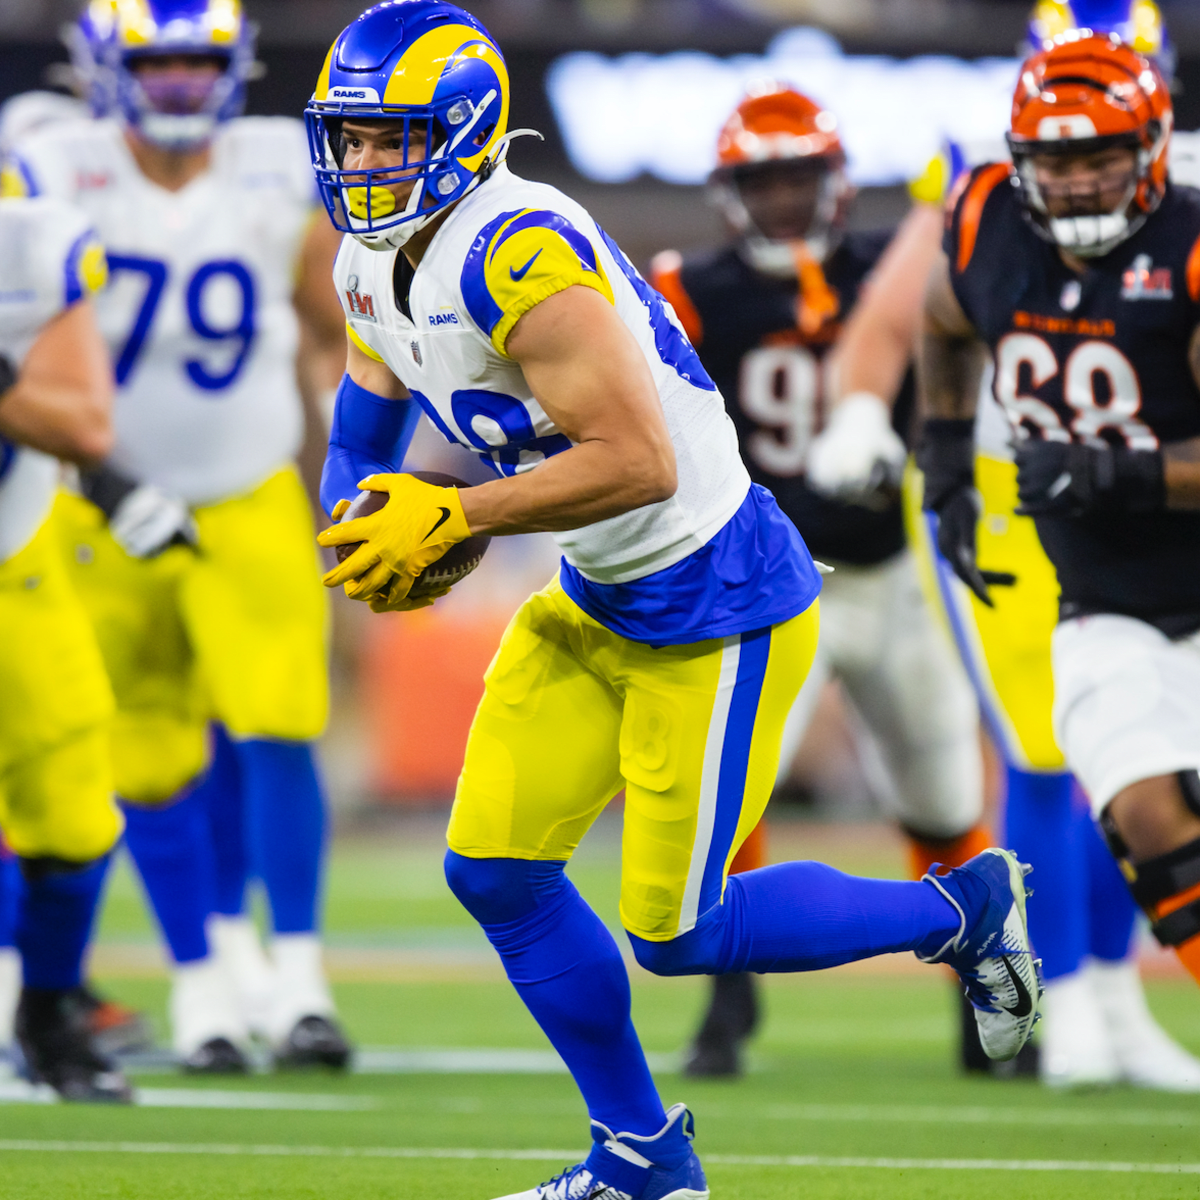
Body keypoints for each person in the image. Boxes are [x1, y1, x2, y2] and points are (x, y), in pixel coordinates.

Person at [309, 5, 1041, 1198]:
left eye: (387, 139)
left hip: (716, 595)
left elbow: (636, 460)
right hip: (596, 587)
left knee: (679, 933)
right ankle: (643, 1158)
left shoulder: (515, 253)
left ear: (459, 129)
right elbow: (365, 401)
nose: (359, 165)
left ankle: (958, 909)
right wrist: (358, 517)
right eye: (346, 139)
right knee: (494, 870)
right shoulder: (368, 256)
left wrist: (454, 515)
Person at [4, 0, 350, 1072]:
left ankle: (297, 979)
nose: (182, 88)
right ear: (102, 68)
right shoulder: (51, 166)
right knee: (137, 753)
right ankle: (200, 983)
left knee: (280, 720)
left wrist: (358, 470)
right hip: (95, 502)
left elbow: (336, 331)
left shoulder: (279, 167)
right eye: (157, 65)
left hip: (244, 482)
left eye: (200, 65)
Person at [650, 85, 989, 1078]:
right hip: (768, 586)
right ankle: (727, 1002)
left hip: (891, 576)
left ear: (835, 179)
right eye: (764, 178)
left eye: (799, 175)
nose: (785, 198)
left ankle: (984, 994)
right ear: (729, 188)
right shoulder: (686, 288)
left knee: (941, 793)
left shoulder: (894, 266)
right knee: (729, 796)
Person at [908, 8, 1200, 1091]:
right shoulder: (986, 209)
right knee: (1106, 786)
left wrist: (1117, 471)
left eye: (1098, 156)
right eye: (1054, 159)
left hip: (1174, 540)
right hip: (1070, 555)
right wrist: (941, 460)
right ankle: (1074, 1001)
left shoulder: (1189, 235)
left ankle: (1108, 1004)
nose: (1075, 181)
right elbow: (934, 316)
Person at [0, 189, 132, 1101]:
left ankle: (49, 1010)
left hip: (13, 557)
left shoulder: (29, 240)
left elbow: (83, 424)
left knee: (77, 813)